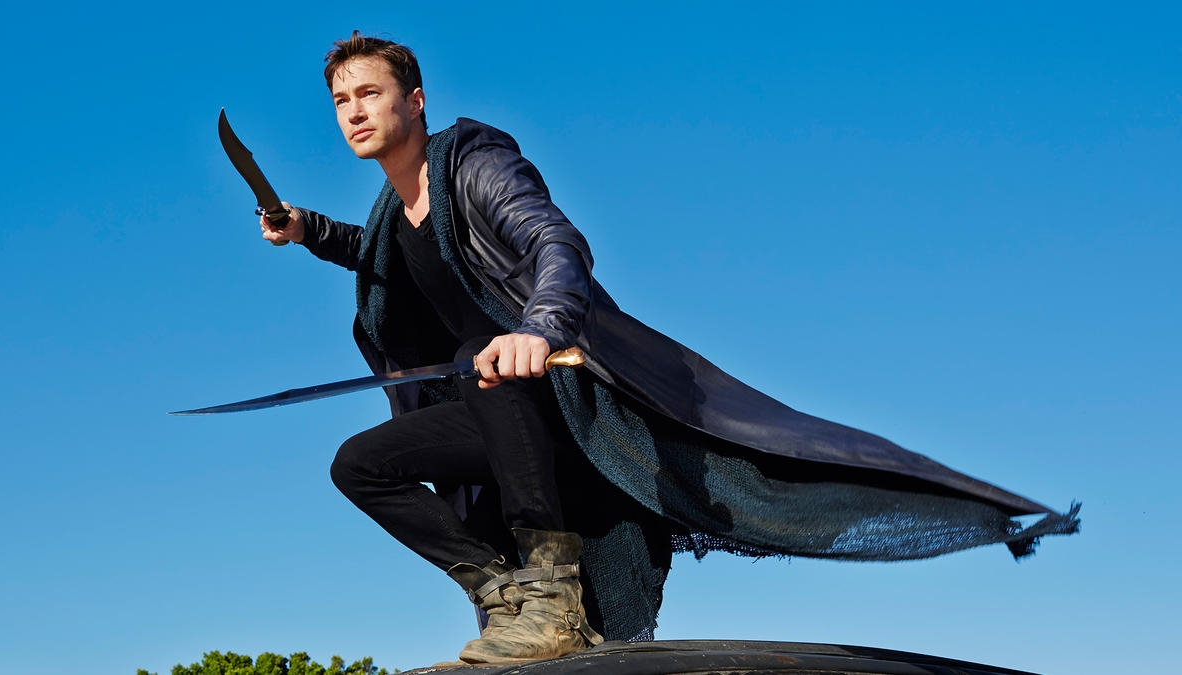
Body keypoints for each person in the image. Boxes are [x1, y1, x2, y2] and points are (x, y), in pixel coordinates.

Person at [258, 32, 1079, 665]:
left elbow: (555, 243)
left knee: (485, 351)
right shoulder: (389, 213)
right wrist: (307, 229)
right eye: (340, 100)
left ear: (416, 101)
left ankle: (553, 596)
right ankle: (505, 593)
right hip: (500, 421)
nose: (354, 111)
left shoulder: (474, 162)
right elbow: (384, 253)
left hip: (569, 411)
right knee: (359, 464)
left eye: (370, 93)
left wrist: (539, 329)